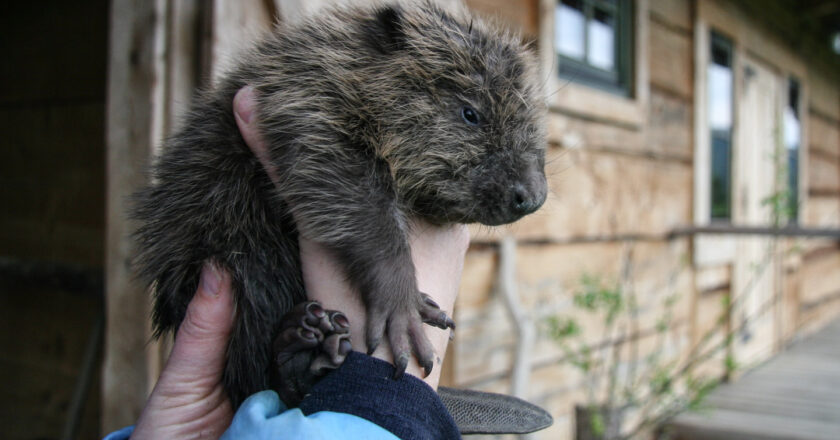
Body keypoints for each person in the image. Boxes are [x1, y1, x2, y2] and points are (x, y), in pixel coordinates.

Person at [104, 87, 469, 440]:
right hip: (237, 256)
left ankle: (304, 380)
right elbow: (322, 153)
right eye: (470, 116)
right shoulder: (339, 97)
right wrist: (384, 397)